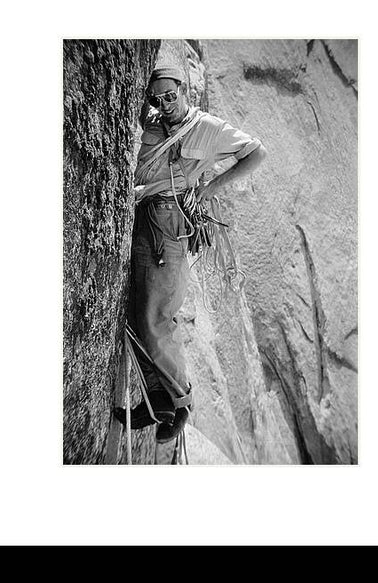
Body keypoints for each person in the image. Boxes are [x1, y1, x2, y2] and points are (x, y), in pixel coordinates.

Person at [114, 63, 267, 444]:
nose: (164, 104)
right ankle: (158, 400)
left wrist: (212, 187)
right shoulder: (153, 123)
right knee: (136, 309)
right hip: (144, 216)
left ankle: (180, 403)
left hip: (169, 224)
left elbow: (256, 153)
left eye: (171, 96)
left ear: (186, 91)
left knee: (157, 316)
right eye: (157, 99)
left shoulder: (207, 128)